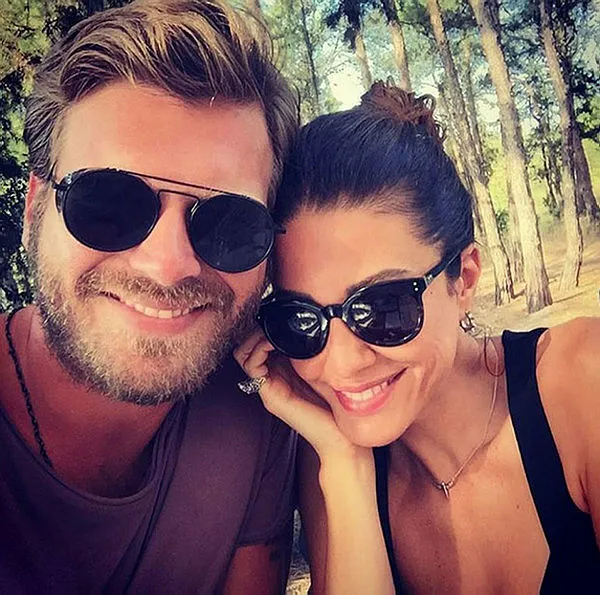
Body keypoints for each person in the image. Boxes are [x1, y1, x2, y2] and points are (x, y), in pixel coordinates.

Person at [235, 81, 600, 594]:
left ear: (464, 279)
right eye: (301, 319)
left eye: (383, 307)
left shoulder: (581, 383)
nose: (341, 363)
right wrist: (346, 468)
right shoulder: (329, 464)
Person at [0, 1, 299, 592]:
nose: (168, 266)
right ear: (36, 208)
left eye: (229, 223)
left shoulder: (256, 418)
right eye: (108, 203)